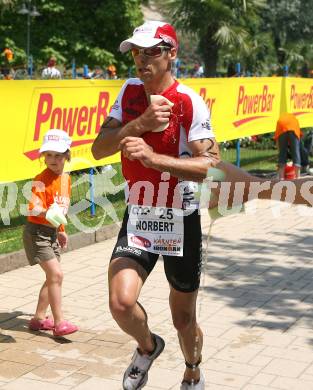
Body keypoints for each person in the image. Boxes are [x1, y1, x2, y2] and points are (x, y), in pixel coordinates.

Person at [92, 20, 220, 390]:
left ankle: (192, 367)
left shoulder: (188, 102)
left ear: (172, 54)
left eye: (152, 51)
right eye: (136, 51)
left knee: (183, 319)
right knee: (120, 302)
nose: (141, 60)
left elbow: (211, 167)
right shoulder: (130, 91)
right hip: (140, 213)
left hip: (180, 218)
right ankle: (148, 348)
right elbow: (99, 148)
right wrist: (140, 123)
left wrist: (154, 158)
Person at [23, 129, 78, 337]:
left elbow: (61, 209)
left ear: (67, 155)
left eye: (57, 155)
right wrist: (48, 213)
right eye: (48, 155)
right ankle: (59, 323)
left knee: (53, 277)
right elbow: (33, 208)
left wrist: (61, 230)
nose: (52, 159)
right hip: (37, 232)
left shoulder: (65, 179)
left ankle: (38, 319)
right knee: (56, 274)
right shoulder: (41, 179)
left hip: (51, 232)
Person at [274, 112, 302, 179]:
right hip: (293, 126)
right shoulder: (295, 123)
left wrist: (280, 151)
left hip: (281, 124)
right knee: (296, 153)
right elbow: (297, 146)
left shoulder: (281, 120)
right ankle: (298, 177)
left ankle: (281, 178)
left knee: (282, 154)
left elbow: (278, 143)